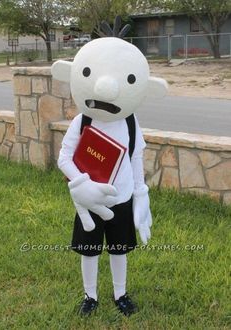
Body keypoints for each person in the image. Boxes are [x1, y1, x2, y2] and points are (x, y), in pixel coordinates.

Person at [51, 19, 167, 317]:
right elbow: (64, 157)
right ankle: (90, 296)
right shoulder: (83, 121)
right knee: (89, 251)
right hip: (89, 203)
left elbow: (136, 157)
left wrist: (141, 194)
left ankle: (120, 293)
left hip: (122, 197)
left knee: (119, 249)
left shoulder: (130, 121)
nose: (106, 86)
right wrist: (81, 185)